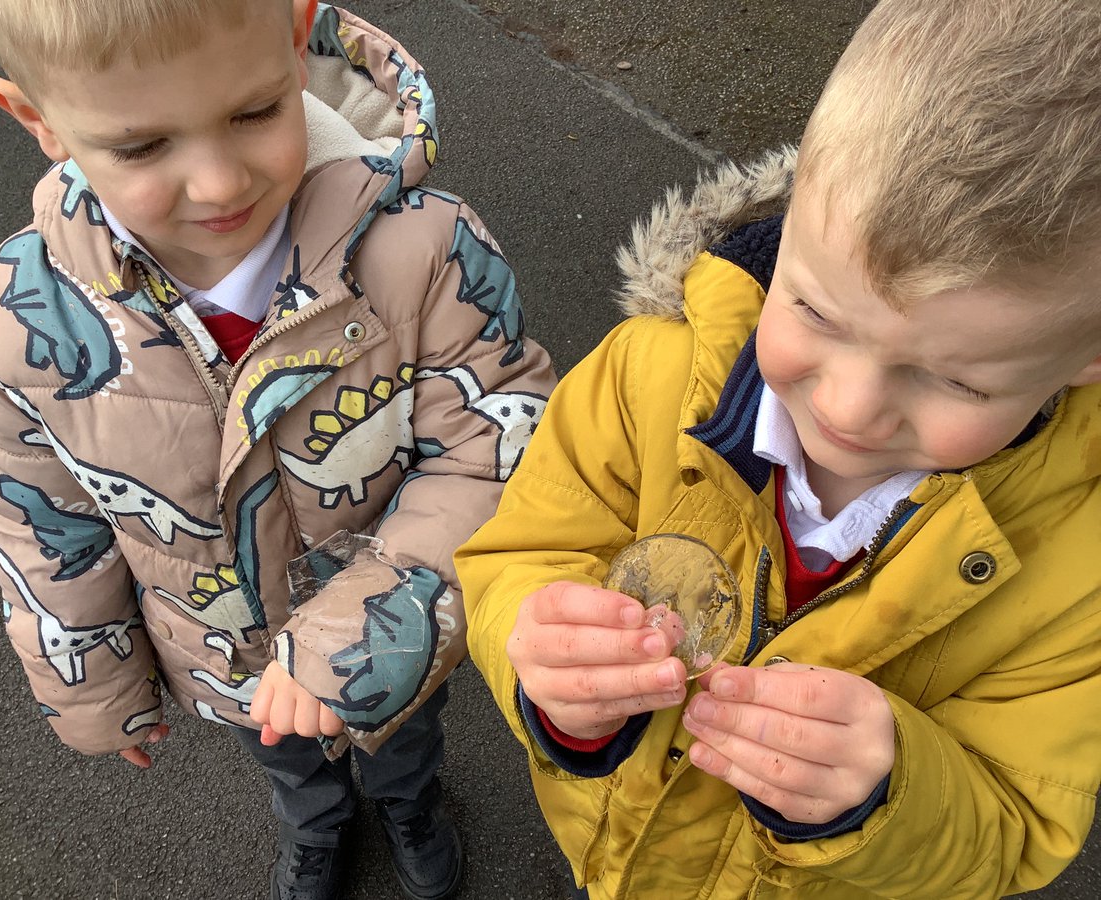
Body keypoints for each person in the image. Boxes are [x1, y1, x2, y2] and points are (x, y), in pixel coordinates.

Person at [455, 0, 1101, 897]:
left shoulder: (1082, 563)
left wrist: (883, 797)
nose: (849, 407)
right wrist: (546, 659)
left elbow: (1016, 826)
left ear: (1083, 360)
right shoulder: (647, 376)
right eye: (814, 312)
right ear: (791, 215)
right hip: (616, 850)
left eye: (956, 380)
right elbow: (518, 552)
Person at [0, 2, 556, 898]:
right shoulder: (9, 324)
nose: (217, 183)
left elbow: (494, 449)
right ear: (38, 120)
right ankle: (317, 824)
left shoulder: (426, 247)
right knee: (287, 763)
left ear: (296, 37)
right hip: (216, 648)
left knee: (405, 737)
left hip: (389, 631)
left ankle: (408, 802)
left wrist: (353, 647)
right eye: (143, 146)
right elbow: (38, 524)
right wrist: (97, 685)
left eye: (253, 112)